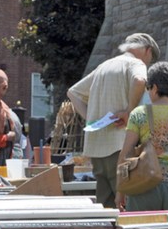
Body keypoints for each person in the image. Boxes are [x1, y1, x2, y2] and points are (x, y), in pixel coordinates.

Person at [68, 33, 160, 207]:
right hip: (120, 147)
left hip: (96, 150)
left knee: (106, 209)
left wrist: (91, 118)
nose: (148, 63)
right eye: (150, 59)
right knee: (126, 208)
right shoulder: (136, 64)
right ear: (147, 50)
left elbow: (73, 92)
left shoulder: (104, 66)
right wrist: (129, 112)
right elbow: (140, 80)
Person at [115, 62, 168, 212]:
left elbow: (125, 155)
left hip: (144, 184)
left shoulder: (139, 114)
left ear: (154, 88)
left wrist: (120, 191)